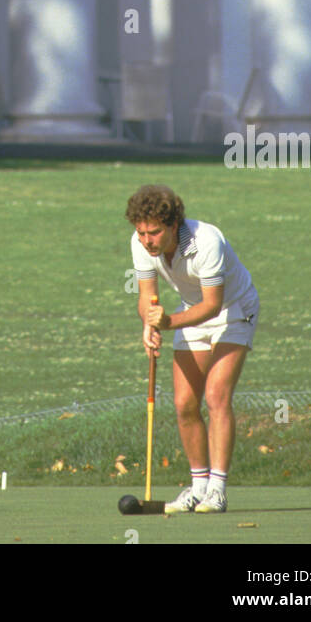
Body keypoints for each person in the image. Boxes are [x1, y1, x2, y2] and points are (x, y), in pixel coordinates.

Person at [126, 183, 259, 513]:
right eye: (141, 233)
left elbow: (213, 306)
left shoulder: (207, 240)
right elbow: (146, 298)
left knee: (216, 395)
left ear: (173, 225)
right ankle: (198, 487)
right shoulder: (140, 244)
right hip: (189, 312)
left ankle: (217, 490)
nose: (147, 240)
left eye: (154, 233)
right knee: (185, 403)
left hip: (233, 310)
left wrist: (168, 322)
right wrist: (149, 324)